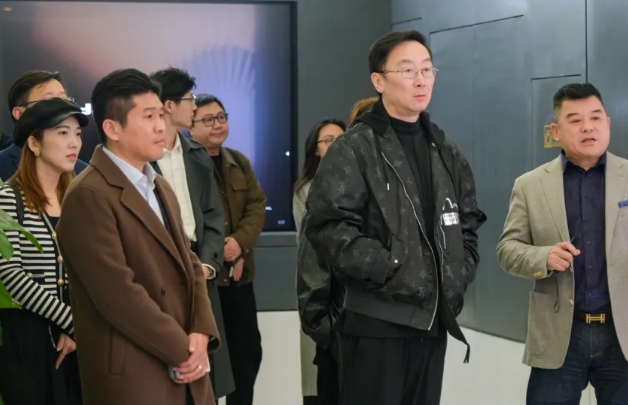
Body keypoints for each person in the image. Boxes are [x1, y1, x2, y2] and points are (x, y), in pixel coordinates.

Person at [304, 30, 486, 405]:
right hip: (376, 323)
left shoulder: (443, 147)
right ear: (379, 81)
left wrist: (459, 269)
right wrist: (389, 267)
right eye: (407, 70)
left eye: (427, 69)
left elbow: (467, 220)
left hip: (432, 321)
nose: (421, 79)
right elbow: (328, 226)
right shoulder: (354, 147)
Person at [496, 83, 628, 405]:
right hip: (561, 332)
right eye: (575, 120)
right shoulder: (530, 185)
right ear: (556, 131)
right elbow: (507, 250)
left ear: (608, 124)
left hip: (624, 333)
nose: (588, 127)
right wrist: (543, 257)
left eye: (596, 118)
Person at [56, 69, 220, 405]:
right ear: (112, 128)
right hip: (135, 372)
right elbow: (118, 295)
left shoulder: (159, 185)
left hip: (186, 365)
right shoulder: (88, 194)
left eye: (160, 114)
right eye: (148, 117)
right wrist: (183, 348)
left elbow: (190, 263)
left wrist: (202, 331)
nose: (161, 126)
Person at [149, 68, 235, 401]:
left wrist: (210, 265)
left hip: (200, 264)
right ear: (169, 105)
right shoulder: (145, 156)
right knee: (169, 360)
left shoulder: (196, 154)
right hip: (162, 264)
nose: (194, 106)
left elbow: (213, 215)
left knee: (207, 363)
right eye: (189, 99)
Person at [0, 98, 87, 405]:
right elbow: (11, 274)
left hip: (78, 340)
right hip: (28, 339)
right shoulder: (8, 197)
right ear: (34, 143)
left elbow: (90, 269)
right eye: (63, 133)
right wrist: (72, 321)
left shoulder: (80, 198)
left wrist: (76, 330)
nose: (74, 143)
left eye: (77, 134)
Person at [189, 94, 266, 405]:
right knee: (208, 362)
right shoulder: (187, 165)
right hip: (206, 282)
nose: (218, 125)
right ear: (190, 126)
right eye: (208, 119)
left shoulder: (237, 161)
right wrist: (221, 252)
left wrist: (240, 244)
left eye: (221, 117)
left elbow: (256, 205)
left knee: (247, 355)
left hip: (238, 279)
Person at [294, 118, 346, 405]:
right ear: (315, 149)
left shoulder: (357, 183)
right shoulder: (306, 190)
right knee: (320, 380)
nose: (336, 145)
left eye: (341, 139)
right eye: (328, 140)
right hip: (320, 292)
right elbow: (312, 248)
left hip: (350, 299)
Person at [0, 71, 89, 180]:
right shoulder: (3, 166)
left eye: (63, 100)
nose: (60, 108)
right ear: (19, 114)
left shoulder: (85, 175)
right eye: (49, 102)